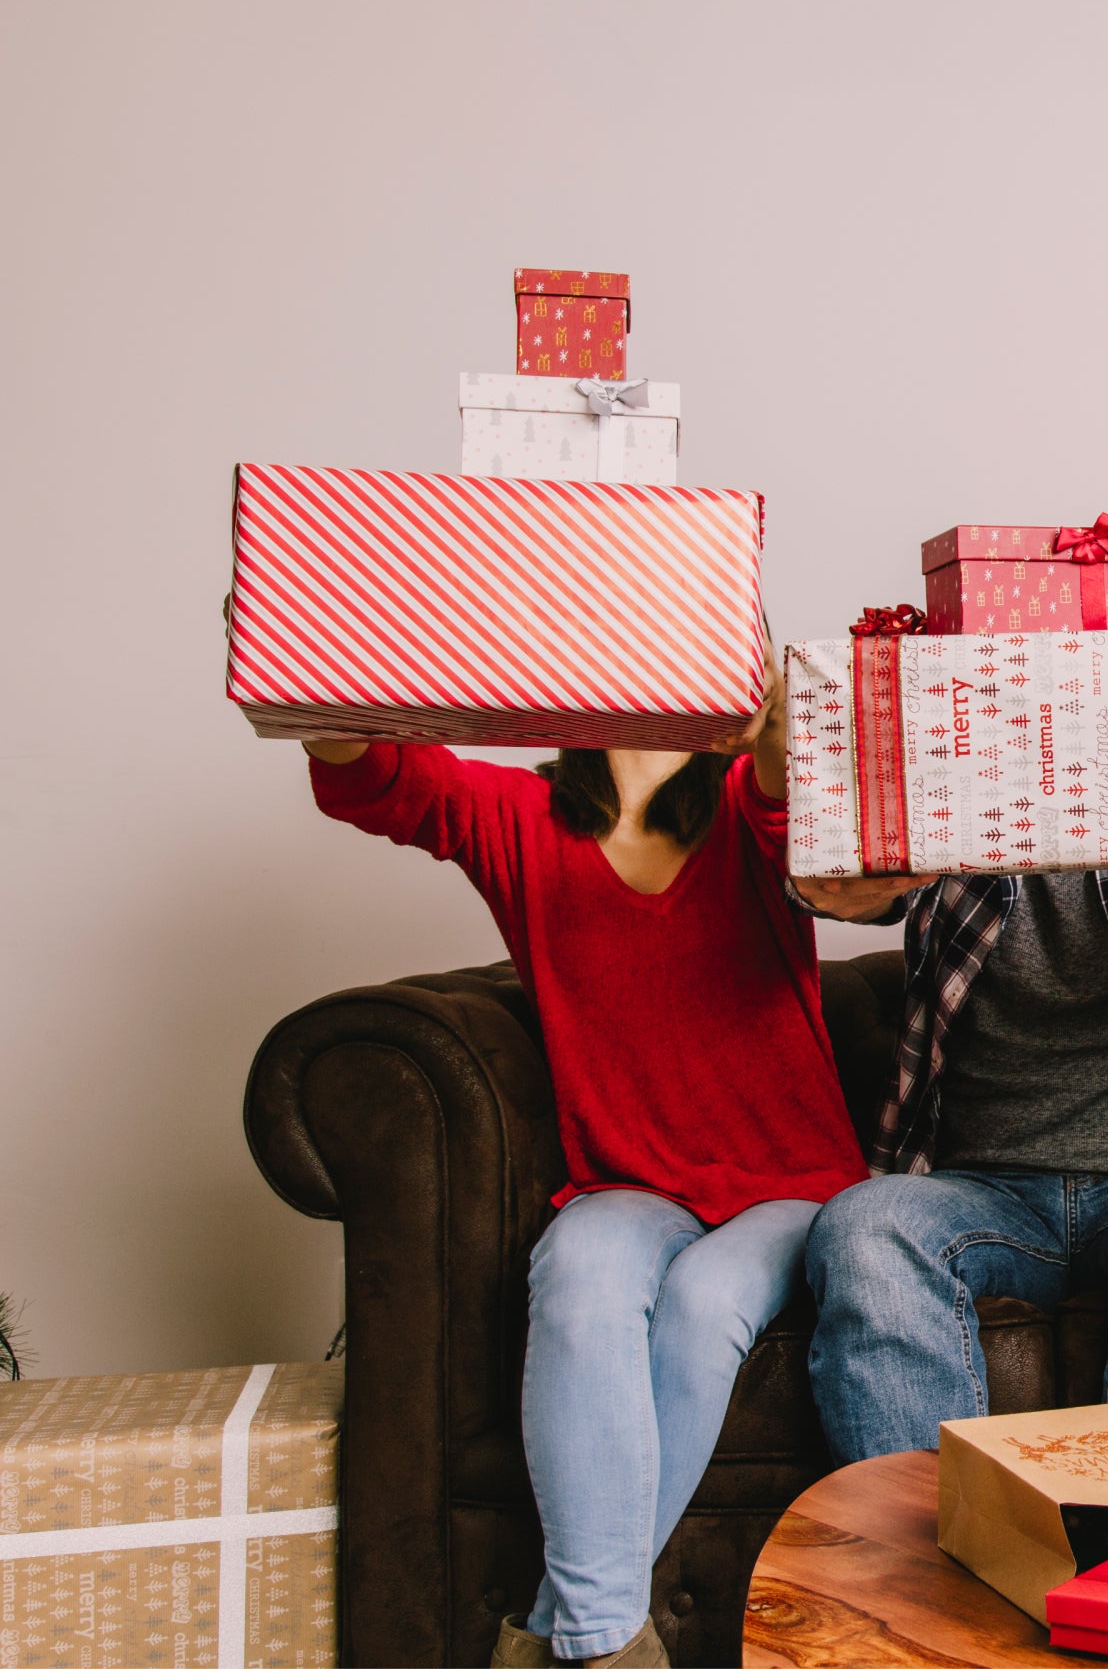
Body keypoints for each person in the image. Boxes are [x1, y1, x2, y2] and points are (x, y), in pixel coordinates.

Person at [300, 663, 866, 1668]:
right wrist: (303, 666)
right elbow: (381, 776)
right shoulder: (518, 819)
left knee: (703, 1302)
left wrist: (774, 722)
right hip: (627, 1180)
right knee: (579, 1268)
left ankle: (566, 1638)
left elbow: (790, 795)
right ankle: (606, 1642)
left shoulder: (747, 803)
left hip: (793, 1181)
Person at [793, 732, 1108, 1461]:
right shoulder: (934, 757)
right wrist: (830, 872)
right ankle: (924, 1565)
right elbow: (830, 876)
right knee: (864, 1223)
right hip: (984, 1191)